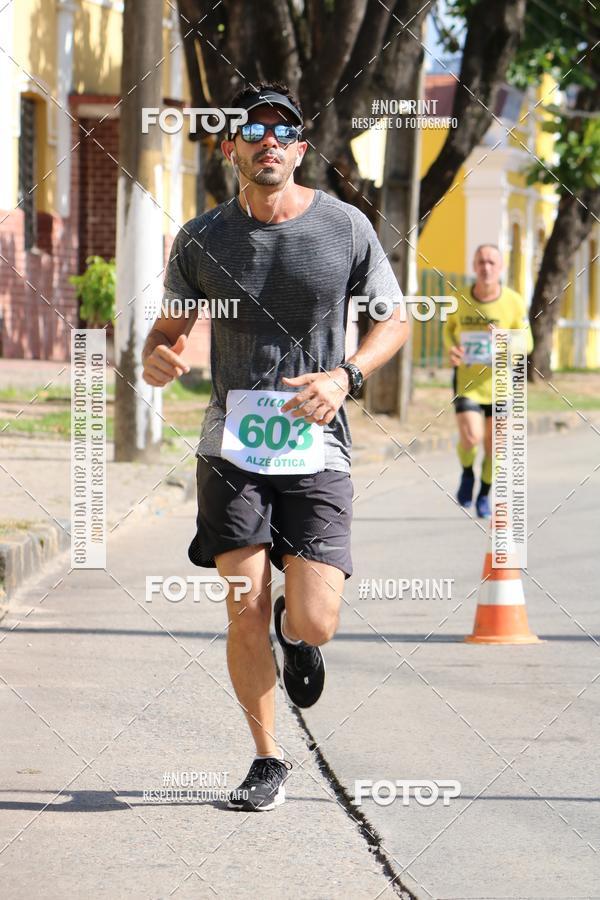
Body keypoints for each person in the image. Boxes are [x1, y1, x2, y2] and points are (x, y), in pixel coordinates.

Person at [141, 82, 409, 812]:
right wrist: (157, 356)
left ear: (299, 148)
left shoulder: (344, 227)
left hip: (317, 443)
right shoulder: (202, 238)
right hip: (231, 444)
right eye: (253, 129)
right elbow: (166, 331)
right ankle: (268, 758)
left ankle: (299, 634)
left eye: (282, 130)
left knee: (315, 618)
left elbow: (393, 319)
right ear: (231, 147)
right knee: (243, 607)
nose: (268, 140)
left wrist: (347, 376)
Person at [443, 244, 533, 518]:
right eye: (481, 262)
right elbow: (448, 331)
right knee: (471, 437)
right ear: (474, 266)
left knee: (495, 447)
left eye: (492, 262)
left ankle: (484, 493)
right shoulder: (459, 298)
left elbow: (528, 343)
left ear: (501, 267)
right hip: (468, 383)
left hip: (501, 386)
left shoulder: (514, 301)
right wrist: (452, 349)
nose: (486, 267)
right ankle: (467, 473)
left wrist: (505, 339)